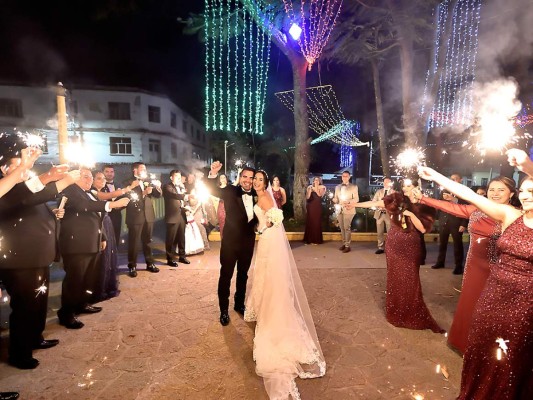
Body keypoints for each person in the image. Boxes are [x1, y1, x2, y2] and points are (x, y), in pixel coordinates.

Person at [418, 162, 533, 400]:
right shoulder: (510, 215)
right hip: (493, 290)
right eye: (524, 190)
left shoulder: (512, 214)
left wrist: (526, 163)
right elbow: (466, 195)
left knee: (512, 352)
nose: (526, 196)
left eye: (531, 191)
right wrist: (436, 176)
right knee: (483, 342)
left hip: (524, 299)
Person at [412, 176, 518, 355]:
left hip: (497, 268)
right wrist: (423, 198)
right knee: (469, 302)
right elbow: (452, 207)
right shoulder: (476, 210)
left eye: (501, 190)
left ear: (512, 193)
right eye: (492, 189)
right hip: (474, 265)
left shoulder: (515, 215)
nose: (495, 193)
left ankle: (488, 348)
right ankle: (464, 343)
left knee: (491, 308)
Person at [244, 170, 326, 399]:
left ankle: (270, 311)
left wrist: (262, 229)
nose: (258, 183)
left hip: (268, 241)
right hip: (266, 242)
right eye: (256, 180)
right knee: (263, 276)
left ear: (266, 183)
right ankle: (263, 306)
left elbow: (272, 220)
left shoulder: (264, 197)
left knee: (269, 277)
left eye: (261, 180)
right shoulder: (257, 196)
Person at [0, 140, 77, 369]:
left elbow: (33, 204)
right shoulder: (9, 192)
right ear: (4, 169)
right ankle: (20, 354)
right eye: (17, 166)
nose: (23, 170)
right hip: (20, 261)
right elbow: (27, 197)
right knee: (25, 308)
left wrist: (52, 213)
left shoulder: (19, 190)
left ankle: (35, 338)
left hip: (37, 258)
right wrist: (57, 180)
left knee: (38, 304)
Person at [356, 178, 443, 333]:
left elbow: (423, 229)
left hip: (410, 246)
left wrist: (410, 214)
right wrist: (355, 205)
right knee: (395, 278)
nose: (405, 189)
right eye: (403, 186)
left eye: (409, 186)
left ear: (417, 187)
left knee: (410, 278)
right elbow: (377, 203)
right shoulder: (396, 199)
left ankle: (410, 312)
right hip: (393, 245)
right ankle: (396, 311)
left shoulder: (426, 206)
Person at [58, 168, 129, 329]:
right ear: (75, 177)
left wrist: (102, 237)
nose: (89, 179)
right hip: (76, 244)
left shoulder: (88, 192)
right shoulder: (71, 191)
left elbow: (97, 217)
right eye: (85, 177)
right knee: (74, 280)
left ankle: (82, 303)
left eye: (90, 177)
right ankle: (66, 313)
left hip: (91, 241)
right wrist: (113, 204)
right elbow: (86, 206)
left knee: (87, 277)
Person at [206, 161, 257, 326]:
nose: (248, 180)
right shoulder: (230, 190)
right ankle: (223, 311)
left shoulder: (258, 194)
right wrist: (213, 174)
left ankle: (239, 304)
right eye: (245, 177)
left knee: (243, 275)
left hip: (248, 242)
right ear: (240, 177)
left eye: (251, 178)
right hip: (229, 242)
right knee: (226, 275)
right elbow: (212, 189)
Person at [92, 171, 133, 301]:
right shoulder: (92, 192)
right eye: (99, 178)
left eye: (103, 178)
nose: (103, 180)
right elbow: (106, 196)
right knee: (101, 255)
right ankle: (98, 286)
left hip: (107, 222)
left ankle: (107, 284)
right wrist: (127, 189)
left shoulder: (102, 189)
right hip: (98, 224)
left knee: (109, 253)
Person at [123, 162, 162, 277]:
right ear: (135, 170)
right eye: (142, 168)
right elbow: (128, 198)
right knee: (134, 242)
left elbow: (157, 195)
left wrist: (158, 188)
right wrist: (143, 193)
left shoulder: (148, 181)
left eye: (145, 168)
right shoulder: (128, 182)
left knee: (148, 241)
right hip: (135, 216)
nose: (145, 170)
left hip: (148, 215)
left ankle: (150, 264)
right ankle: (132, 266)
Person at [431, 174, 467, 275]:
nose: (453, 180)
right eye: (451, 179)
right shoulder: (445, 190)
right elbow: (440, 204)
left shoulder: (463, 191)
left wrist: (464, 223)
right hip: (444, 221)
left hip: (457, 222)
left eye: (455, 178)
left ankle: (458, 266)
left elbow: (466, 207)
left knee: (457, 245)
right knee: (442, 243)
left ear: (460, 179)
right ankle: (440, 262)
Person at [162, 170, 190, 267]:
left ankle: (182, 256)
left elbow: (182, 201)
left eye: (179, 176)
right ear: (171, 177)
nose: (179, 178)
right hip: (172, 216)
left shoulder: (181, 187)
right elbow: (174, 195)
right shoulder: (167, 186)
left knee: (181, 237)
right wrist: (186, 196)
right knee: (171, 238)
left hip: (181, 215)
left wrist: (186, 206)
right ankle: (170, 258)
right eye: (176, 176)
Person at [332, 171, 359, 253]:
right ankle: (344, 243)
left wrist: (348, 202)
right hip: (339, 209)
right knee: (342, 228)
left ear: (349, 177)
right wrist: (334, 199)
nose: (344, 177)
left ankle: (347, 245)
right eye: (343, 176)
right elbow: (336, 198)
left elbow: (356, 199)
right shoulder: (337, 187)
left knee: (347, 227)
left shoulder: (353, 187)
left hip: (349, 209)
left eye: (346, 176)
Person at [101, 164, 123, 244]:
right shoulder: (100, 186)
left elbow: (124, 198)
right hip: (104, 216)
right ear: (103, 172)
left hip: (117, 216)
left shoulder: (119, 185)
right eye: (107, 171)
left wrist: (120, 207)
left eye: (111, 172)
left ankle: (115, 256)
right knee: (105, 240)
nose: (109, 173)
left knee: (116, 238)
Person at [372, 177, 395, 254]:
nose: (386, 183)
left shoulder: (393, 193)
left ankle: (390, 247)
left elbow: (395, 204)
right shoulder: (379, 192)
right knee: (379, 232)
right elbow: (374, 201)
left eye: (388, 182)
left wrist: (387, 207)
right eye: (385, 182)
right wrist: (379, 206)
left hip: (389, 214)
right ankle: (380, 247)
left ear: (390, 183)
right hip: (379, 214)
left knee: (390, 232)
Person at [303, 176, 326, 244]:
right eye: (315, 180)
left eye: (317, 180)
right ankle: (309, 240)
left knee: (316, 222)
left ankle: (316, 240)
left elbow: (319, 195)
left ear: (319, 181)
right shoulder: (310, 187)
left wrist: (315, 188)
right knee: (310, 221)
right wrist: (310, 190)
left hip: (317, 206)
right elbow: (307, 197)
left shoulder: (322, 187)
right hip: (310, 206)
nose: (316, 181)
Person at [216, 173, 228, 238]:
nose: (223, 179)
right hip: (221, 207)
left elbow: (236, 182)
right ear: (219, 180)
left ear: (226, 179)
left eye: (224, 177)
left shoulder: (230, 187)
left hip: (229, 208)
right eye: (221, 178)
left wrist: (238, 173)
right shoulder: (218, 189)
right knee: (222, 225)